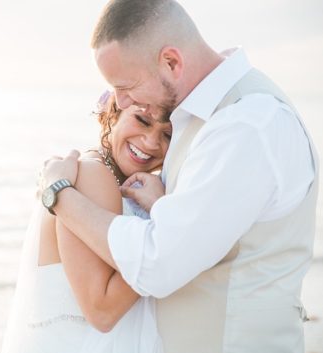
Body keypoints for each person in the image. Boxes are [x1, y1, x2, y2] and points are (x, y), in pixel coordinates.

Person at [40, 1, 319, 353]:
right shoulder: (203, 118)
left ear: (171, 62)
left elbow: (158, 264)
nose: (120, 102)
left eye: (125, 86)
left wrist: (58, 195)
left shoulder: (246, 124)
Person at [1, 91, 172, 353]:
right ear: (113, 114)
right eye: (142, 121)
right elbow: (102, 310)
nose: (150, 142)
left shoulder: (109, 178)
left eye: (167, 135)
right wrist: (161, 224)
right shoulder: (93, 174)